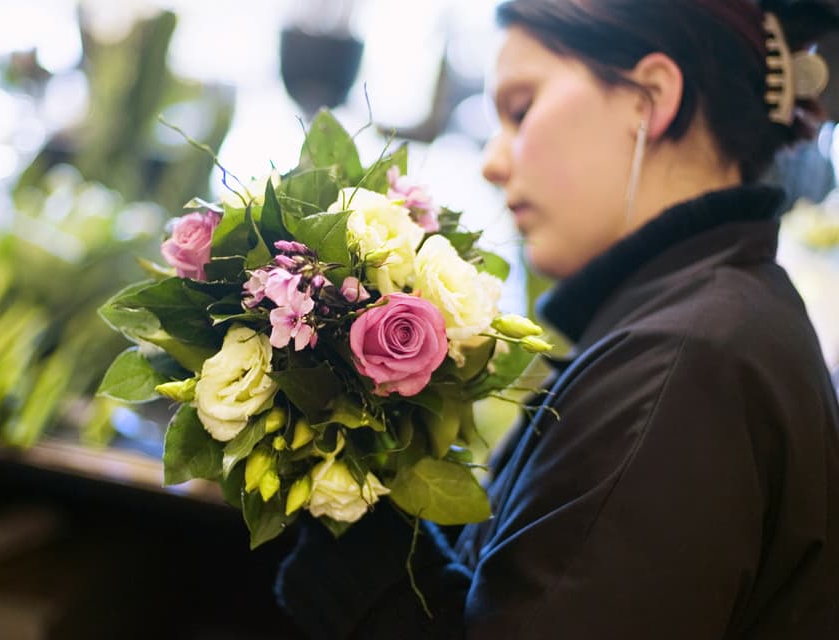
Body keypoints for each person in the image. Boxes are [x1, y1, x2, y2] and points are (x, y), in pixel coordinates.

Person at [274, 1, 839, 638]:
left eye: (521, 109)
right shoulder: (697, 327)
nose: (493, 159)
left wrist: (363, 555)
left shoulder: (686, 360)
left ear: (649, 98)